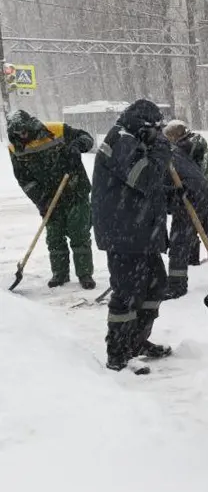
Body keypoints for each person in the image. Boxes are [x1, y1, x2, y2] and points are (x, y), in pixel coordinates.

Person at [91, 99, 174, 375]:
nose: (158, 135)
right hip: (123, 232)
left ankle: (135, 342)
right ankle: (117, 354)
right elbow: (145, 177)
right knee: (127, 293)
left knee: (155, 285)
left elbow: (147, 186)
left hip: (138, 230)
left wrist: (171, 195)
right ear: (142, 126)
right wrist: (162, 150)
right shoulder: (121, 142)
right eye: (155, 129)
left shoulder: (131, 139)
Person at [7, 110, 97, 289]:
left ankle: (85, 274)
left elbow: (87, 139)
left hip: (75, 189)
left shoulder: (56, 130)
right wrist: (41, 201)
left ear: (30, 125)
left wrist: (77, 146)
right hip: (48, 197)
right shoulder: (15, 148)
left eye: (24, 131)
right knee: (54, 237)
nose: (23, 136)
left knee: (79, 233)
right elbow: (24, 179)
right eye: (18, 133)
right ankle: (60, 274)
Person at [162, 123, 208, 299]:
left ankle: (176, 285)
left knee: (179, 243)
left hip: (191, 199)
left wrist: (171, 196)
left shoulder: (176, 153)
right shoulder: (198, 146)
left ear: (174, 137)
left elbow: (175, 179)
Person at [164, 120, 208, 265]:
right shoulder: (198, 145)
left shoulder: (188, 150)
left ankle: (194, 263)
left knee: (190, 233)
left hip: (196, 197)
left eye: (169, 138)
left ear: (176, 136)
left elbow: (190, 175)